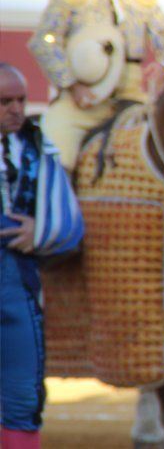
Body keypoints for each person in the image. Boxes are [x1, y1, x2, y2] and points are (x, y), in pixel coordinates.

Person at [28, 0, 164, 171]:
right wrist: (71, 85)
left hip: (133, 100)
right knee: (57, 154)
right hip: (82, 100)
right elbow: (44, 41)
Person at [1, 63, 84, 449]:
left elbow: (66, 222)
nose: (16, 109)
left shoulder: (37, 146)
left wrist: (42, 229)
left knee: (22, 396)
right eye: (4, 102)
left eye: (20, 100)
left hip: (18, 283)